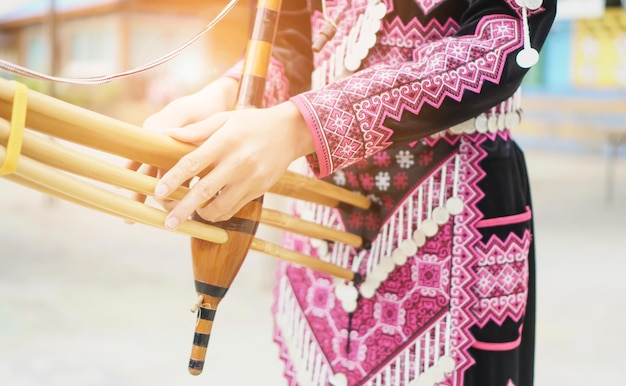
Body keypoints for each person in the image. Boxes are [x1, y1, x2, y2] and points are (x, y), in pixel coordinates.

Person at [131, 1, 557, 385]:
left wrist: (300, 126)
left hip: (454, 212)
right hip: (325, 226)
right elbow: (293, 44)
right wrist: (225, 97)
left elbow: (495, 46)